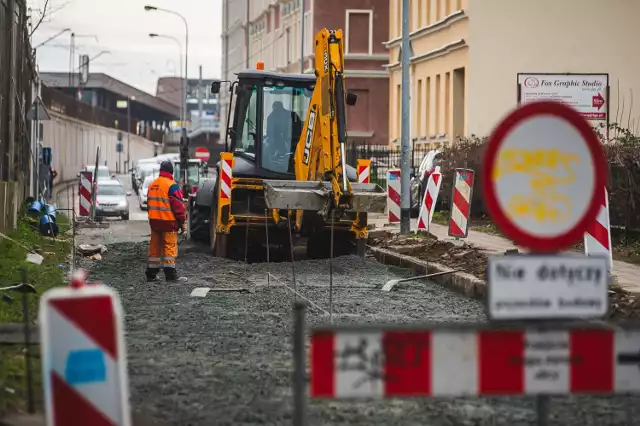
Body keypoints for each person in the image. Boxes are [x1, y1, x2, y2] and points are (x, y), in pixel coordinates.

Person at [145, 160, 187, 282]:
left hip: (154, 222)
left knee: (155, 247)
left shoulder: (152, 185)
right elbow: (178, 206)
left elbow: (148, 205)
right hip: (168, 223)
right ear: (171, 172)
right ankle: (170, 275)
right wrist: (182, 222)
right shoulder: (172, 185)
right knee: (170, 247)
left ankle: (151, 274)